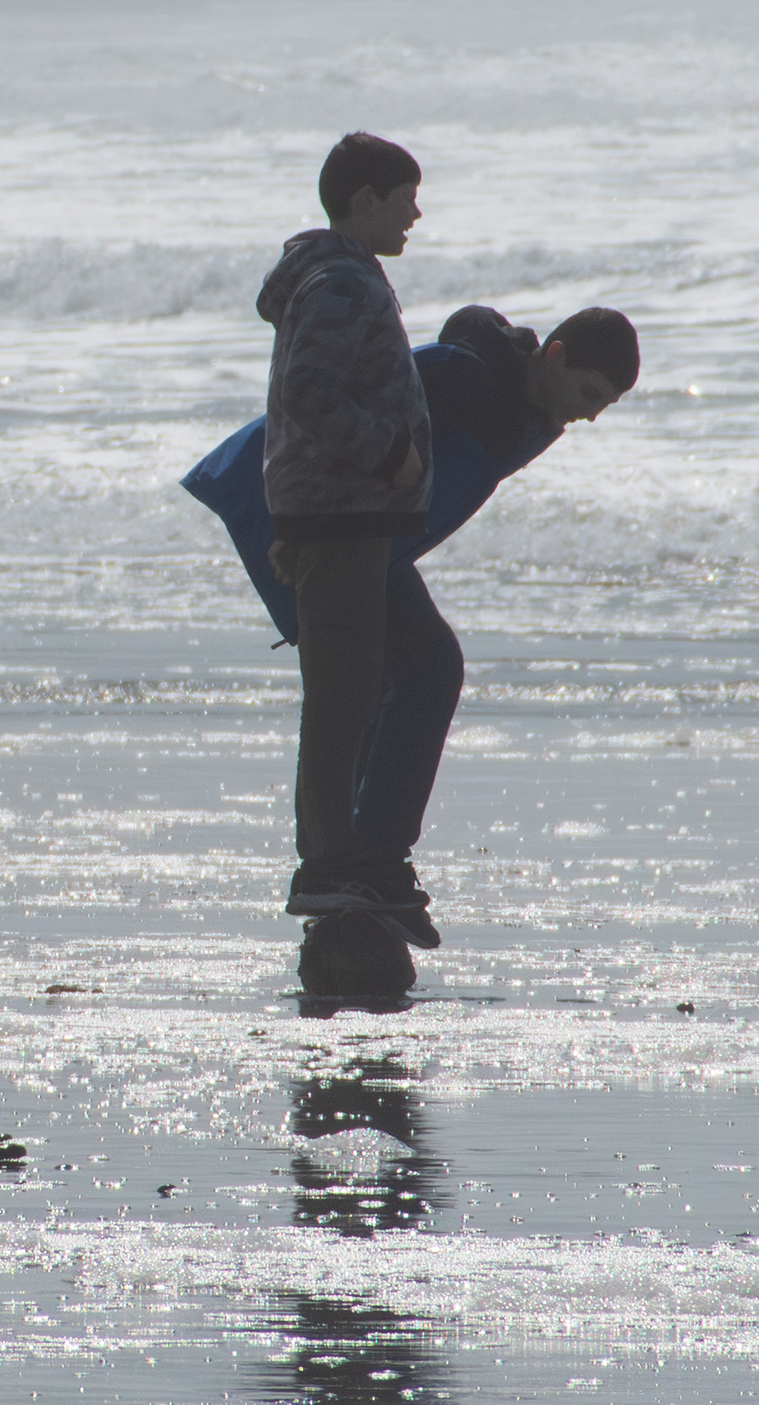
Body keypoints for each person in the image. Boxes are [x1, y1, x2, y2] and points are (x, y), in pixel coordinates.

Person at [185, 163, 637, 942]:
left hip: (360, 534)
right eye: (590, 393)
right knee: (371, 688)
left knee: (409, 672)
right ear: (555, 356)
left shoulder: (521, 407)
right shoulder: (469, 379)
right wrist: (286, 523)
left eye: (603, 407)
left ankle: (368, 862)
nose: (589, 417)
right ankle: (346, 867)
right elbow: (317, 409)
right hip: (315, 518)